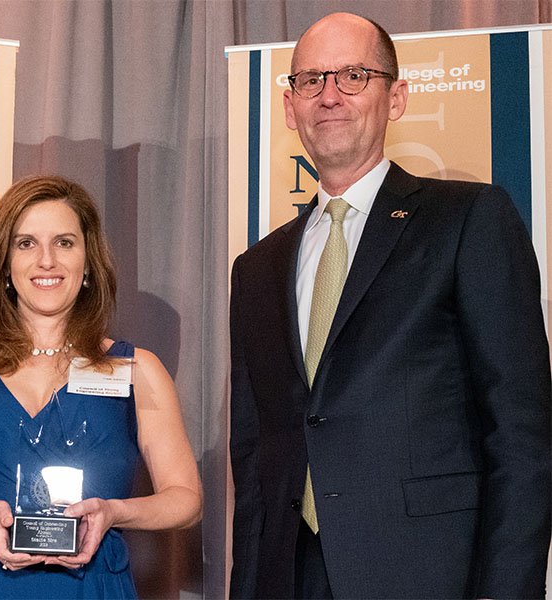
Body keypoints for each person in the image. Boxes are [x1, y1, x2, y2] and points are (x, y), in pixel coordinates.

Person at [229, 12, 551, 599]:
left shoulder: (468, 220)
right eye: (311, 80)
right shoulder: (255, 269)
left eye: (353, 75)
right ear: (288, 106)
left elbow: (521, 436)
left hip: (429, 575)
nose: (329, 95)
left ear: (396, 97)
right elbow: (254, 464)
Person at [0, 175, 202, 599]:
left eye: (64, 242)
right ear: (3, 265)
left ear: (89, 262)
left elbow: (186, 499)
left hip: (93, 588)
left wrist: (113, 512)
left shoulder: (136, 370)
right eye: (25, 243)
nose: (46, 261)